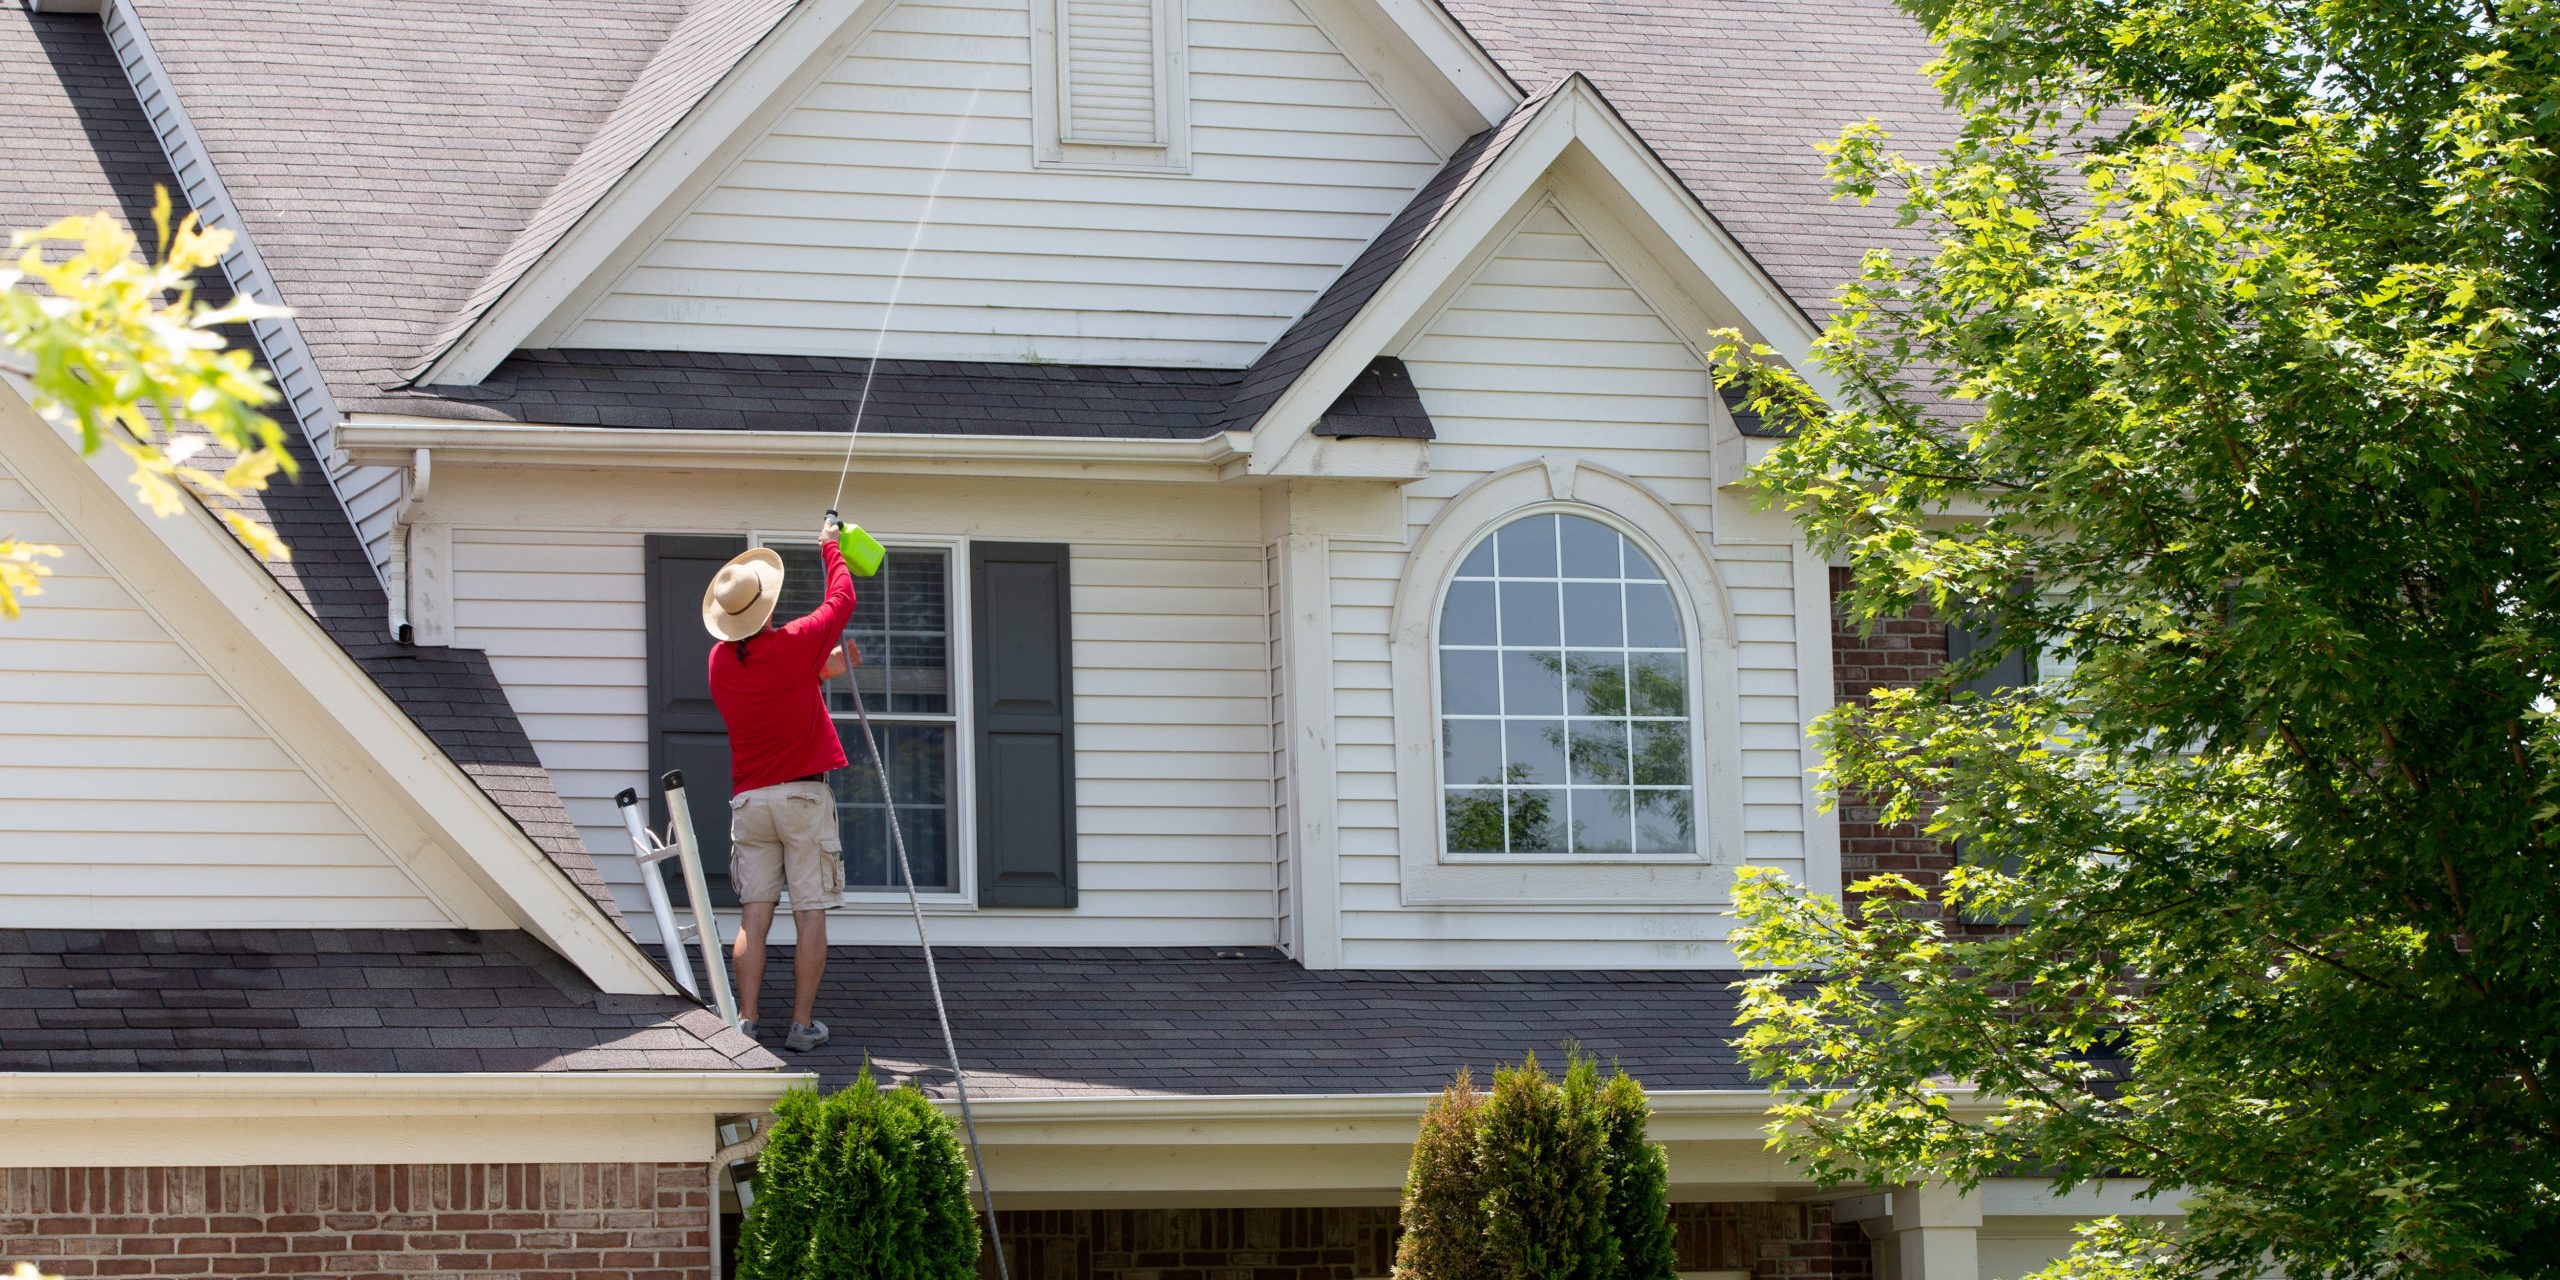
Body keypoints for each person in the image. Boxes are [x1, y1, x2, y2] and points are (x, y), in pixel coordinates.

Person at [700, 515, 858, 1052]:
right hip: (802, 797)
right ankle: (801, 1024)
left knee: (755, 913)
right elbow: (841, 601)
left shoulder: (719, 663)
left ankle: (745, 1019)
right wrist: (830, 547)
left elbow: (773, 679)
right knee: (809, 910)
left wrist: (819, 668)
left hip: (750, 801)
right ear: (765, 606)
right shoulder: (792, 643)